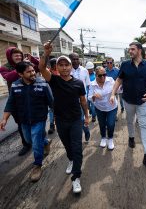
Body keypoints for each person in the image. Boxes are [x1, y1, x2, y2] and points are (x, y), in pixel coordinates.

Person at [39, 42, 89, 194]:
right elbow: (41, 68)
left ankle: (76, 178)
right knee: (68, 147)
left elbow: (83, 101)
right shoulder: (54, 80)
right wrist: (46, 53)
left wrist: (86, 116)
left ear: (70, 66)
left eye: (66, 64)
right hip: (60, 120)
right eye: (61, 65)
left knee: (77, 148)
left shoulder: (78, 83)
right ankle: (71, 160)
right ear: (57, 68)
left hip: (75, 119)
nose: (64, 67)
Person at [0, 62, 53, 182]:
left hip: (39, 119)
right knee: (29, 140)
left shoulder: (43, 83)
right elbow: (10, 103)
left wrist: (59, 115)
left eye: (33, 70)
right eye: (29, 72)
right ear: (20, 74)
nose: (33, 73)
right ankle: (45, 142)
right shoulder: (15, 85)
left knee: (35, 141)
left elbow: (51, 101)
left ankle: (37, 165)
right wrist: (4, 119)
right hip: (23, 120)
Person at [109, 42, 146, 166]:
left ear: (139, 50)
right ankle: (131, 137)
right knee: (130, 121)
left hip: (143, 101)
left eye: (133, 49)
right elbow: (119, 80)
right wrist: (113, 93)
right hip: (128, 100)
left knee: (143, 125)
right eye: (129, 49)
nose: (130, 51)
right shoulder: (125, 65)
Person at [0, 48, 40, 156]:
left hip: (32, 96)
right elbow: (8, 76)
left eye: (19, 55)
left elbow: (40, 67)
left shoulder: (27, 63)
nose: (18, 57)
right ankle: (26, 144)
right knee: (21, 123)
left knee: (37, 120)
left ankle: (41, 139)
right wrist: (22, 68)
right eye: (15, 55)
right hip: (17, 100)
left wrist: (33, 60)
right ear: (10, 57)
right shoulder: (4, 67)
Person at [89, 67, 118, 150]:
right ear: (96, 75)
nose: (103, 77)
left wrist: (114, 93)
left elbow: (117, 88)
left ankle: (110, 138)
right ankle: (103, 138)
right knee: (102, 124)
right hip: (100, 108)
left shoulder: (110, 80)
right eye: (100, 75)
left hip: (112, 107)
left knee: (110, 124)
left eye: (104, 75)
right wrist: (94, 96)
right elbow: (89, 97)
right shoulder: (92, 84)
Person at [69, 53, 91, 142]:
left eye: (77, 59)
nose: (75, 61)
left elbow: (88, 85)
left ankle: (86, 131)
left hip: (83, 100)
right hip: (71, 101)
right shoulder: (67, 71)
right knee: (75, 121)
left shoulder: (84, 70)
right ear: (70, 60)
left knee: (82, 119)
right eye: (73, 59)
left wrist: (88, 99)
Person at [47, 58, 58, 134]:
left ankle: (59, 123)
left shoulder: (60, 71)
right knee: (51, 110)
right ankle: (51, 125)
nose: (56, 66)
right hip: (51, 94)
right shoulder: (48, 72)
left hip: (59, 94)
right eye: (54, 65)